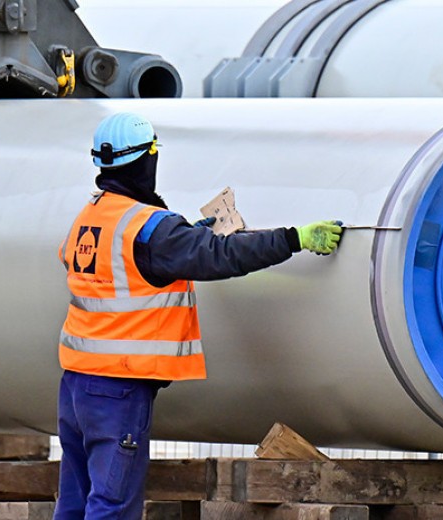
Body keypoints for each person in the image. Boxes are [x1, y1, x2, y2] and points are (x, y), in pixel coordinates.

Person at [54, 112, 343, 519]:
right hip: (118, 388)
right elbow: (220, 255)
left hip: (76, 386)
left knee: (75, 501)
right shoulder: (147, 227)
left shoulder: (91, 216)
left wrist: (183, 236)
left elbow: (121, 265)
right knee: (112, 505)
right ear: (147, 159)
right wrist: (294, 238)